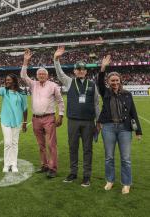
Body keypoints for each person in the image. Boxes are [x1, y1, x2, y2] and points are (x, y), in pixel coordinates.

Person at [54, 46, 100, 187]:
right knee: (73, 147)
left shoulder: (92, 84)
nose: (80, 71)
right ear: (74, 71)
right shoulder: (69, 82)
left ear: (86, 71)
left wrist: (98, 122)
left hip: (88, 122)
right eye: (78, 69)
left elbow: (96, 104)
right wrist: (56, 59)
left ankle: (86, 176)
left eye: (83, 69)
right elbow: (60, 74)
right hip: (73, 121)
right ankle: (73, 173)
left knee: (88, 149)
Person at [97, 55, 142, 194]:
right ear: (109, 82)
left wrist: (138, 131)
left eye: (117, 80)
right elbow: (99, 82)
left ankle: (126, 183)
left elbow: (133, 113)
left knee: (125, 158)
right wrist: (103, 68)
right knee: (109, 157)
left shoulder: (127, 94)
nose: (115, 82)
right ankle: (110, 181)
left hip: (125, 129)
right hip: (109, 128)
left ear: (120, 81)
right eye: (112, 80)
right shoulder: (105, 92)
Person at [21, 49, 65, 178]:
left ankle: (53, 168)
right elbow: (23, 76)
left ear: (47, 76)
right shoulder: (33, 84)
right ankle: (44, 165)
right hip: (35, 119)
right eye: (39, 74)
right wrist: (25, 61)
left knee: (51, 144)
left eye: (43, 74)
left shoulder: (53, 86)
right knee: (41, 145)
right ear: (36, 76)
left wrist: (60, 115)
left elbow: (60, 101)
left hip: (49, 118)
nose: (41, 75)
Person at [0, 70, 28, 173]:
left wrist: (24, 123)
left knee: (14, 143)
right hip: (5, 120)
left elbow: (25, 108)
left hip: (17, 121)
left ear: (14, 81)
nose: (7, 82)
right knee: (8, 143)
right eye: (6, 80)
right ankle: (6, 164)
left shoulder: (22, 92)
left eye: (9, 80)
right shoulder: (4, 90)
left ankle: (14, 165)